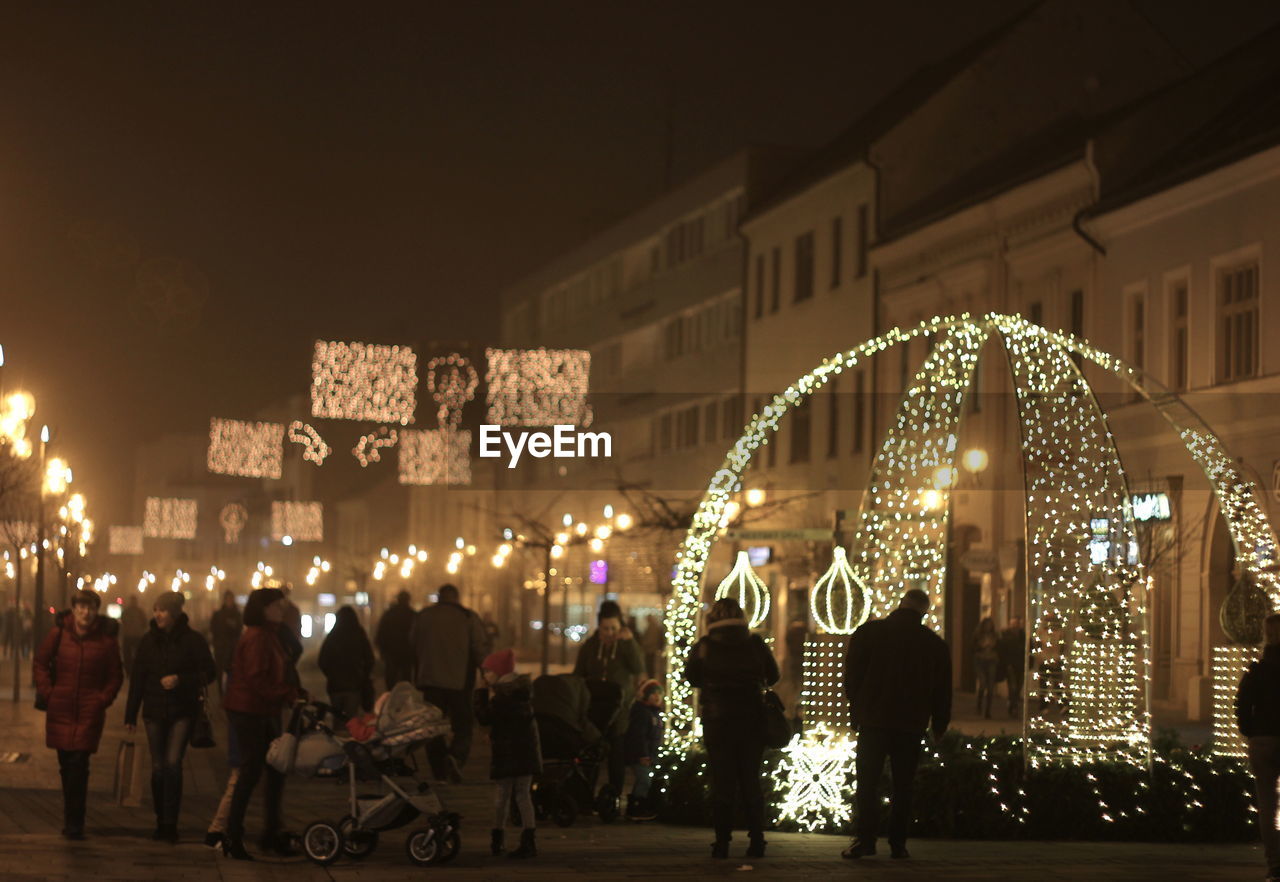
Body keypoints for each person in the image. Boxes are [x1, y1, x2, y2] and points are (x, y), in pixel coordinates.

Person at [842, 588, 951, 860]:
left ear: (900, 604)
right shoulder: (934, 645)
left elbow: (852, 676)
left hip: (873, 720)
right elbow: (942, 690)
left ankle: (865, 840)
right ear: (924, 611)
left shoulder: (868, 633)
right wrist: (939, 724)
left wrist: (857, 709)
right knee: (903, 785)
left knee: (867, 783)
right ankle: (898, 844)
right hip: (910, 724)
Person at [683, 597, 779, 860]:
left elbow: (691, 676)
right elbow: (774, 675)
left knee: (722, 780)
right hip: (752, 720)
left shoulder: (705, 646)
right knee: (750, 779)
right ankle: (757, 840)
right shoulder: (755, 643)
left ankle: (722, 842)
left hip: (718, 722)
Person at [124, 591, 216, 842]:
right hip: (153, 712)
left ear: (175, 614)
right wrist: (130, 714)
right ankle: (159, 817)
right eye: (155, 609)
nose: (157, 614)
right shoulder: (147, 641)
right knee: (157, 768)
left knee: (172, 765)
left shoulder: (193, 640)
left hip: (182, 711)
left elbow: (209, 672)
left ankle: (169, 823)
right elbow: (138, 679)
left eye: (162, 610)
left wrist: (181, 680)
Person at [33, 589, 123, 840]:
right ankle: (71, 816)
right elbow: (40, 662)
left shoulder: (106, 640)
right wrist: (48, 692)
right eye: (81, 607)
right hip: (60, 707)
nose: (86, 612)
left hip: (88, 711)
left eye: (91, 608)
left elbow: (116, 675)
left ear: (96, 611)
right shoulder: (59, 634)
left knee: (79, 764)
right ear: (74, 609)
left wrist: (102, 699)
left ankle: (75, 822)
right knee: (66, 765)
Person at [222, 587, 301, 860]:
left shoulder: (270, 634)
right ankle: (233, 835)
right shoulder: (257, 637)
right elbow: (257, 680)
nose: (282, 609)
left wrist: (291, 692)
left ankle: (271, 832)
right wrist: (287, 694)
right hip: (250, 711)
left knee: (276, 771)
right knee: (251, 771)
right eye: (277, 605)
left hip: (264, 710)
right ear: (263, 608)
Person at [411, 583, 490, 782]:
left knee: (432, 727)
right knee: (463, 726)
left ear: (439, 597)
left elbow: (412, 642)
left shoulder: (424, 616)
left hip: (430, 681)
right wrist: (486, 673)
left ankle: (438, 768)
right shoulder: (468, 616)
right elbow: (479, 647)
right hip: (460, 682)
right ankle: (455, 756)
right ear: (456, 597)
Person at [473, 649, 540, 859]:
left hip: (508, 755)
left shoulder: (503, 696)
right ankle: (529, 841)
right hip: (526, 753)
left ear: (499, 673)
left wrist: (480, 693)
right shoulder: (521, 693)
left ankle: (497, 839)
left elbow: (484, 717)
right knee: (523, 796)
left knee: (502, 797)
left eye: (488, 672)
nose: (485, 676)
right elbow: (511, 723)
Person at [574, 600, 643, 798]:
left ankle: (613, 796)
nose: (610, 633)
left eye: (614, 628)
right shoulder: (590, 646)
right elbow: (579, 674)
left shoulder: (625, 646)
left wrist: (629, 643)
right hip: (594, 710)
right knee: (590, 753)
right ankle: (585, 796)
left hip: (619, 712)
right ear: (599, 627)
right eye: (605, 628)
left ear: (620, 626)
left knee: (616, 755)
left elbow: (638, 667)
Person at [1236, 612, 1280, 882]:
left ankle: (1275, 865)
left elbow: (1241, 704)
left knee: (1267, 804)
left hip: (1263, 740)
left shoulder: (1257, 671)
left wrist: (1251, 732)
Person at [319, 605, 375, 719]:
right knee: (351, 721)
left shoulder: (333, 635)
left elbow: (322, 660)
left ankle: (337, 735)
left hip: (335, 687)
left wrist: (331, 675)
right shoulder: (359, 634)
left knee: (338, 719)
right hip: (354, 685)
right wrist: (363, 674)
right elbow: (370, 659)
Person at [624, 679, 664, 821]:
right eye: (653, 694)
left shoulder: (655, 714)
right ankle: (635, 808)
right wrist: (643, 754)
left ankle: (641, 806)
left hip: (650, 755)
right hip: (641, 755)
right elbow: (638, 735)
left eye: (659, 694)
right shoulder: (642, 713)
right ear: (645, 695)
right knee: (644, 780)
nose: (657, 697)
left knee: (646, 780)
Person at [375, 590, 416, 690]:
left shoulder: (389, 614)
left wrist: (382, 650)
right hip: (407, 653)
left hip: (391, 652)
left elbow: (381, 633)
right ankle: (405, 701)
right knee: (406, 680)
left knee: (391, 680)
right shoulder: (413, 615)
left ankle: (391, 699)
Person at [209, 590, 242, 694]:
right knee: (220, 671)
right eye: (227, 599)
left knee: (233, 671)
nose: (229, 601)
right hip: (221, 648)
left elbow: (239, 629)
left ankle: (231, 693)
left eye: (231, 599)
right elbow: (213, 629)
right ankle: (222, 693)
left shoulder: (237, 614)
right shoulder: (218, 614)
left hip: (233, 647)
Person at [997, 616, 1026, 718]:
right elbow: (1002, 651)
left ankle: (1012, 702)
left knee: (1019, 686)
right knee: (1013, 686)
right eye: (1013, 624)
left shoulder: (1023, 637)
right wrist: (1005, 663)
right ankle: (1013, 707)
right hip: (1010, 666)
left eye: (1016, 624)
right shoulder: (1006, 637)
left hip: (1021, 665)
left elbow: (1028, 650)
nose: (1015, 626)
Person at [972, 617, 999, 719]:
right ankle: (979, 705)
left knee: (991, 687)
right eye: (987, 625)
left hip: (991, 660)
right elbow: (972, 648)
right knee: (983, 684)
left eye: (990, 625)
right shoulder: (978, 635)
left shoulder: (995, 636)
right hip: (980, 660)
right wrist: (982, 646)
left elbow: (999, 647)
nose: (988, 627)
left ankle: (988, 710)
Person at [120, 594, 148, 675]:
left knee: (128, 655)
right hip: (137, 635)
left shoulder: (126, 611)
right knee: (137, 654)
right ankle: (136, 670)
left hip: (129, 635)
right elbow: (145, 623)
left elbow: (123, 622)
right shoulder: (139, 611)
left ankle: (129, 670)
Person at [639, 614, 665, 680]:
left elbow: (651, 640)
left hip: (651, 650)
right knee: (651, 665)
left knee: (650, 665)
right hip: (651, 649)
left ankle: (651, 678)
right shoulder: (654, 627)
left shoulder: (653, 627)